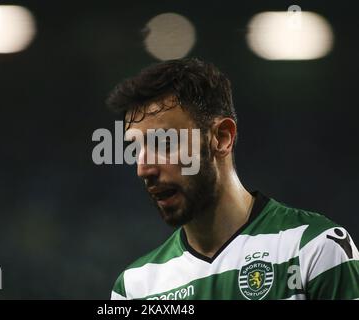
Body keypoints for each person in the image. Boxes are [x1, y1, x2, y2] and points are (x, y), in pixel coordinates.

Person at [106, 57, 359, 300]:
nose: (143, 169)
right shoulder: (135, 288)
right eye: (136, 149)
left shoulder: (314, 248)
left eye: (165, 143)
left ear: (222, 138)